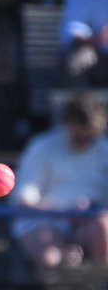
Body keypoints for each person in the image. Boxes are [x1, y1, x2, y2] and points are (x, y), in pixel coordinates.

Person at [11, 92, 108, 269]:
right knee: (51, 257)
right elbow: (24, 202)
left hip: (90, 224)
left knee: (103, 228)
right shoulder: (41, 148)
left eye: (90, 138)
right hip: (44, 222)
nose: (85, 143)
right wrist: (66, 213)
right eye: (80, 137)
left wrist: (90, 214)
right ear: (67, 125)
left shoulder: (105, 150)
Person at [61, 0, 108, 87]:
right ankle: (81, 102)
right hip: (93, 53)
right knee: (80, 58)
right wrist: (98, 39)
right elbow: (75, 30)